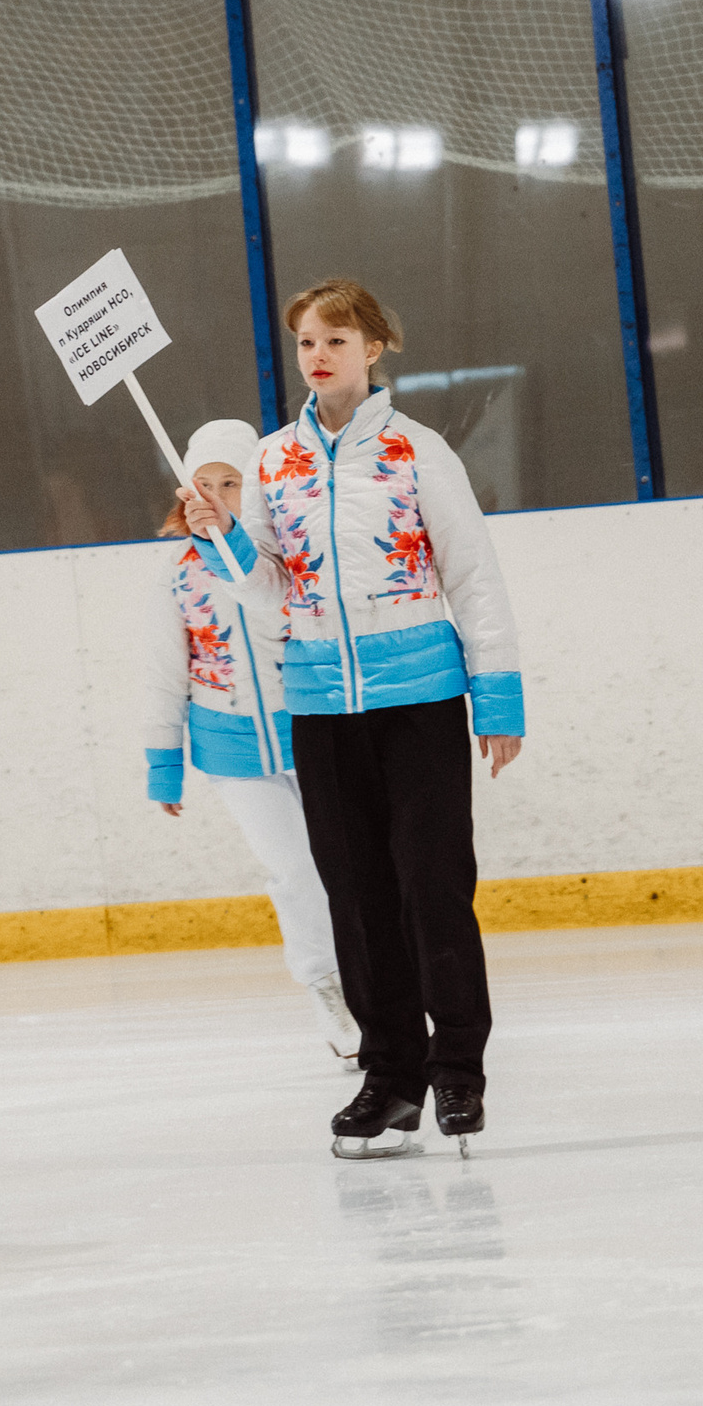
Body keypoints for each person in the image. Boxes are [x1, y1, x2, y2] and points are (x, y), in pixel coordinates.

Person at [180, 279, 525, 1162]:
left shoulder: (417, 451)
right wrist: (221, 537)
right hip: (322, 706)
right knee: (358, 899)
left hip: (418, 701)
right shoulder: (271, 462)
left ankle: (458, 1068)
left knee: (433, 885)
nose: (319, 354)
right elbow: (264, 591)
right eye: (305, 342)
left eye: (336, 338)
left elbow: (473, 576)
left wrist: (498, 698)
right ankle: (391, 1074)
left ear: (374, 347)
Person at [144, 417, 361, 1068]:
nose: (214, 494)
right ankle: (326, 984)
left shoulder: (288, 554)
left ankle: (376, 982)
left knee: (345, 864)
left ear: (259, 486)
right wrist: (163, 764)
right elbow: (164, 671)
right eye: (201, 483)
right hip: (232, 752)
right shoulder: (176, 571)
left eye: (230, 483)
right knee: (294, 869)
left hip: (314, 732)